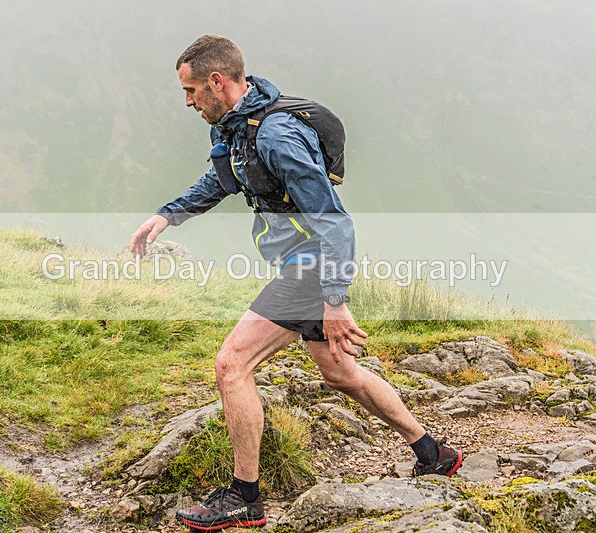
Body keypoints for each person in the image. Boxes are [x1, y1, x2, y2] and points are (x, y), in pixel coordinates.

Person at [130, 34, 463, 532]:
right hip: (297, 264)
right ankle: (433, 453)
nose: (187, 101)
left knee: (232, 364)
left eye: (192, 90)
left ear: (217, 82)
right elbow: (222, 181)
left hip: (310, 265)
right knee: (340, 374)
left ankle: (245, 497)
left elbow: (334, 222)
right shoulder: (231, 127)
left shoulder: (276, 136)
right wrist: (168, 215)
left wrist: (334, 300)